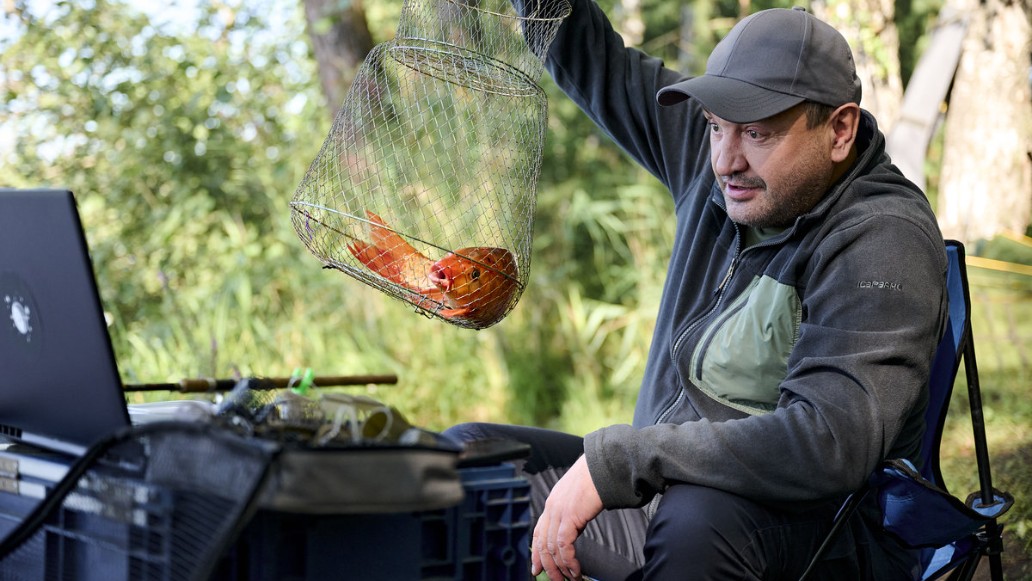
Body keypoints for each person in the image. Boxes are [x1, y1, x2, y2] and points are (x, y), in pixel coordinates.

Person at [445, 4, 947, 580]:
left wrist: (629, 458)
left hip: (823, 536)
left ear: (839, 131)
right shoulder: (723, 162)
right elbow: (589, 56)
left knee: (695, 524)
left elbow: (830, 442)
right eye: (714, 126)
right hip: (671, 501)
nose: (725, 160)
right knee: (467, 461)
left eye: (758, 133)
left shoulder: (883, 237)